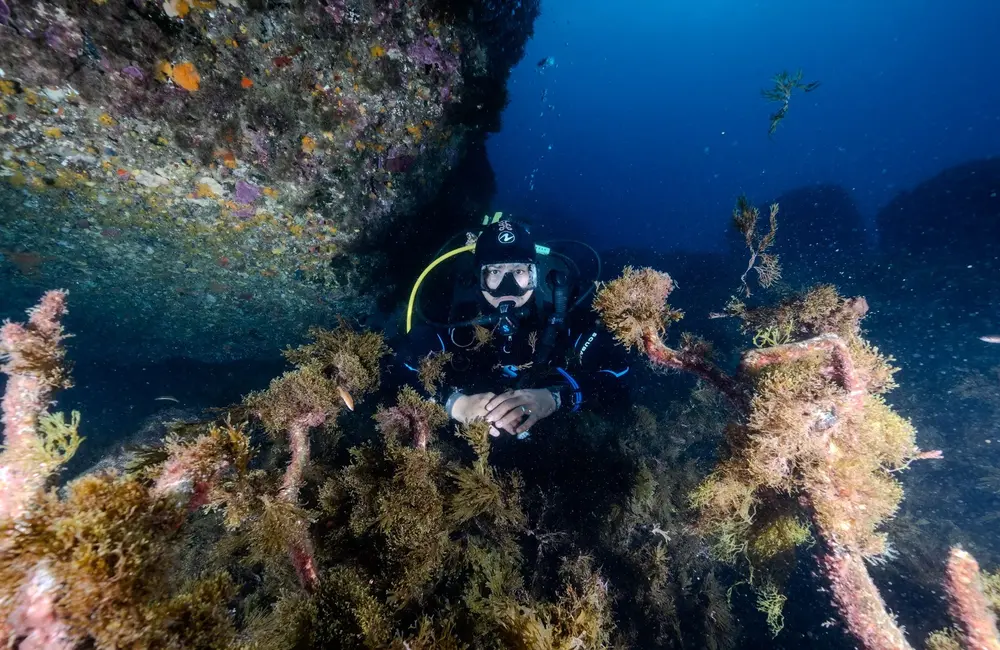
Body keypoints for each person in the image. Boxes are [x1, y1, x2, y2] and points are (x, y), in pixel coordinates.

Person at [397, 218, 630, 437]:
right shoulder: (455, 310)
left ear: (534, 274)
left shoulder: (559, 306)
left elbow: (618, 373)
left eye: (519, 271)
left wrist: (556, 397)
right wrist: (455, 404)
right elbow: (401, 364)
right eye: (495, 272)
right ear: (479, 277)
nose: (507, 288)